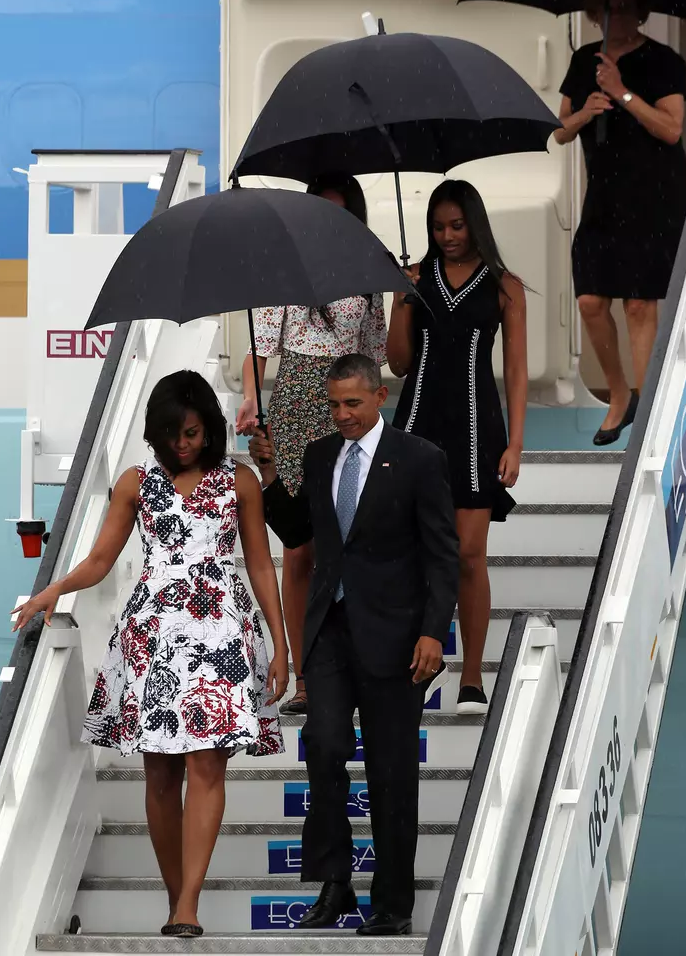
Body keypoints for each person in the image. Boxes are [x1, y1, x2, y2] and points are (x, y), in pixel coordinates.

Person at [11, 371, 287, 939]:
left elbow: (261, 565)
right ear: (155, 433)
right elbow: (101, 559)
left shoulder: (241, 482)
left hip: (221, 636)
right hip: (153, 636)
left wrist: (281, 644)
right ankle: (174, 898)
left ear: (209, 426)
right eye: (171, 434)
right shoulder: (136, 482)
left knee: (207, 764)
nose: (182, 444)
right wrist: (52, 590)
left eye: (192, 432)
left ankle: (188, 904)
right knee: (159, 771)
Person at [249, 353, 459, 937]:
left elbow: (444, 556)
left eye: (352, 404)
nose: (342, 415)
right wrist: (269, 477)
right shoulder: (320, 457)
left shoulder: (420, 459)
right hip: (330, 629)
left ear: (380, 397)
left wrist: (433, 632)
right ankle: (334, 883)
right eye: (334, 404)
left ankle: (392, 903)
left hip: (397, 637)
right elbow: (298, 532)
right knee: (323, 744)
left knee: (391, 770)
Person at [236, 173, 387, 716]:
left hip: (348, 402)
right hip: (299, 403)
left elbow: (376, 355)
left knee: (348, 542)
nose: (329, 221)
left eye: (340, 211)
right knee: (299, 548)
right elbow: (260, 350)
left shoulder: (369, 273)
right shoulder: (285, 269)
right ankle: (303, 675)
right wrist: (253, 401)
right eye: (320, 210)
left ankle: (353, 666)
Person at [386, 179, 527, 715]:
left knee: (469, 555)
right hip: (417, 424)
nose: (446, 235)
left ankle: (471, 678)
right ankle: (416, 666)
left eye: (456, 225)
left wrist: (516, 442)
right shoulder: (414, 280)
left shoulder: (505, 285)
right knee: (416, 554)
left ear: (475, 223)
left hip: (476, 428)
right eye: (438, 227)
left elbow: (515, 368)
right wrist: (400, 299)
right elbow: (397, 364)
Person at [554, 0, 686, 445]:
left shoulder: (665, 61)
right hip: (605, 196)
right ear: (595, 13)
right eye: (608, 9)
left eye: (626, 8)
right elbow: (560, 131)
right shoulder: (584, 61)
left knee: (638, 302)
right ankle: (619, 394)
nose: (617, 17)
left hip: (654, 195)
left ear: (641, 11)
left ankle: (645, 401)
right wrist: (587, 112)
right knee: (590, 300)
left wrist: (623, 93)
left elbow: (671, 129)